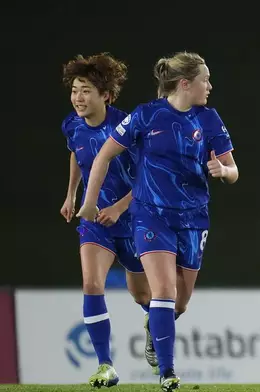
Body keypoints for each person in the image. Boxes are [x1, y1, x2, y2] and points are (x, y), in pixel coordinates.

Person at [76, 51, 238, 392]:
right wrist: (88, 202)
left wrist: (223, 171)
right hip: (151, 216)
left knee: (179, 302)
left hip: (194, 218)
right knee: (164, 290)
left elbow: (233, 170)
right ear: (185, 84)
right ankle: (168, 372)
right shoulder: (146, 116)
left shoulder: (208, 118)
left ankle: (156, 325)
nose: (209, 85)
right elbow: (104, 153)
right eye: (205, 80)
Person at [60, 53, 152, 388]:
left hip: (131, 220)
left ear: (106, 96)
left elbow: (147, 175)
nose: (78, 98)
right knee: (91, 284)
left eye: (85, 91)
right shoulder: (72, 124)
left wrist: (119, 208)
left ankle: (153, 325)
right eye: (74, 90)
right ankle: (105, 366)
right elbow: (76, 153)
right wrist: (72, 195)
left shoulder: (125, 127)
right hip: (94, 221)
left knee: (142, 296)